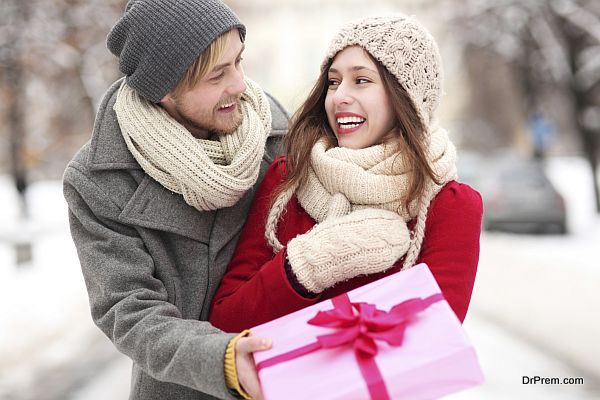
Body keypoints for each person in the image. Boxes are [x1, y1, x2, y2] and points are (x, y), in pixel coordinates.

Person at [62, 0, 288, 399]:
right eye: (218, 75)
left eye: (239, 62)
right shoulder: (99, 181)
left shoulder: (272, 132)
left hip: (292, 371)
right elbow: (129, 311)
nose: (239, 85)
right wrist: (221, 358)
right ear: (164, 90)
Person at [209, 16, 483, 335]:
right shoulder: (289, 178)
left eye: (362, 80)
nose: (339, 97)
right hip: (277, 385)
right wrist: (308, 264)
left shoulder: (449, 206)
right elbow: (226, 321)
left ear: (406, 97)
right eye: (334, 81)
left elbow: (432, 340)